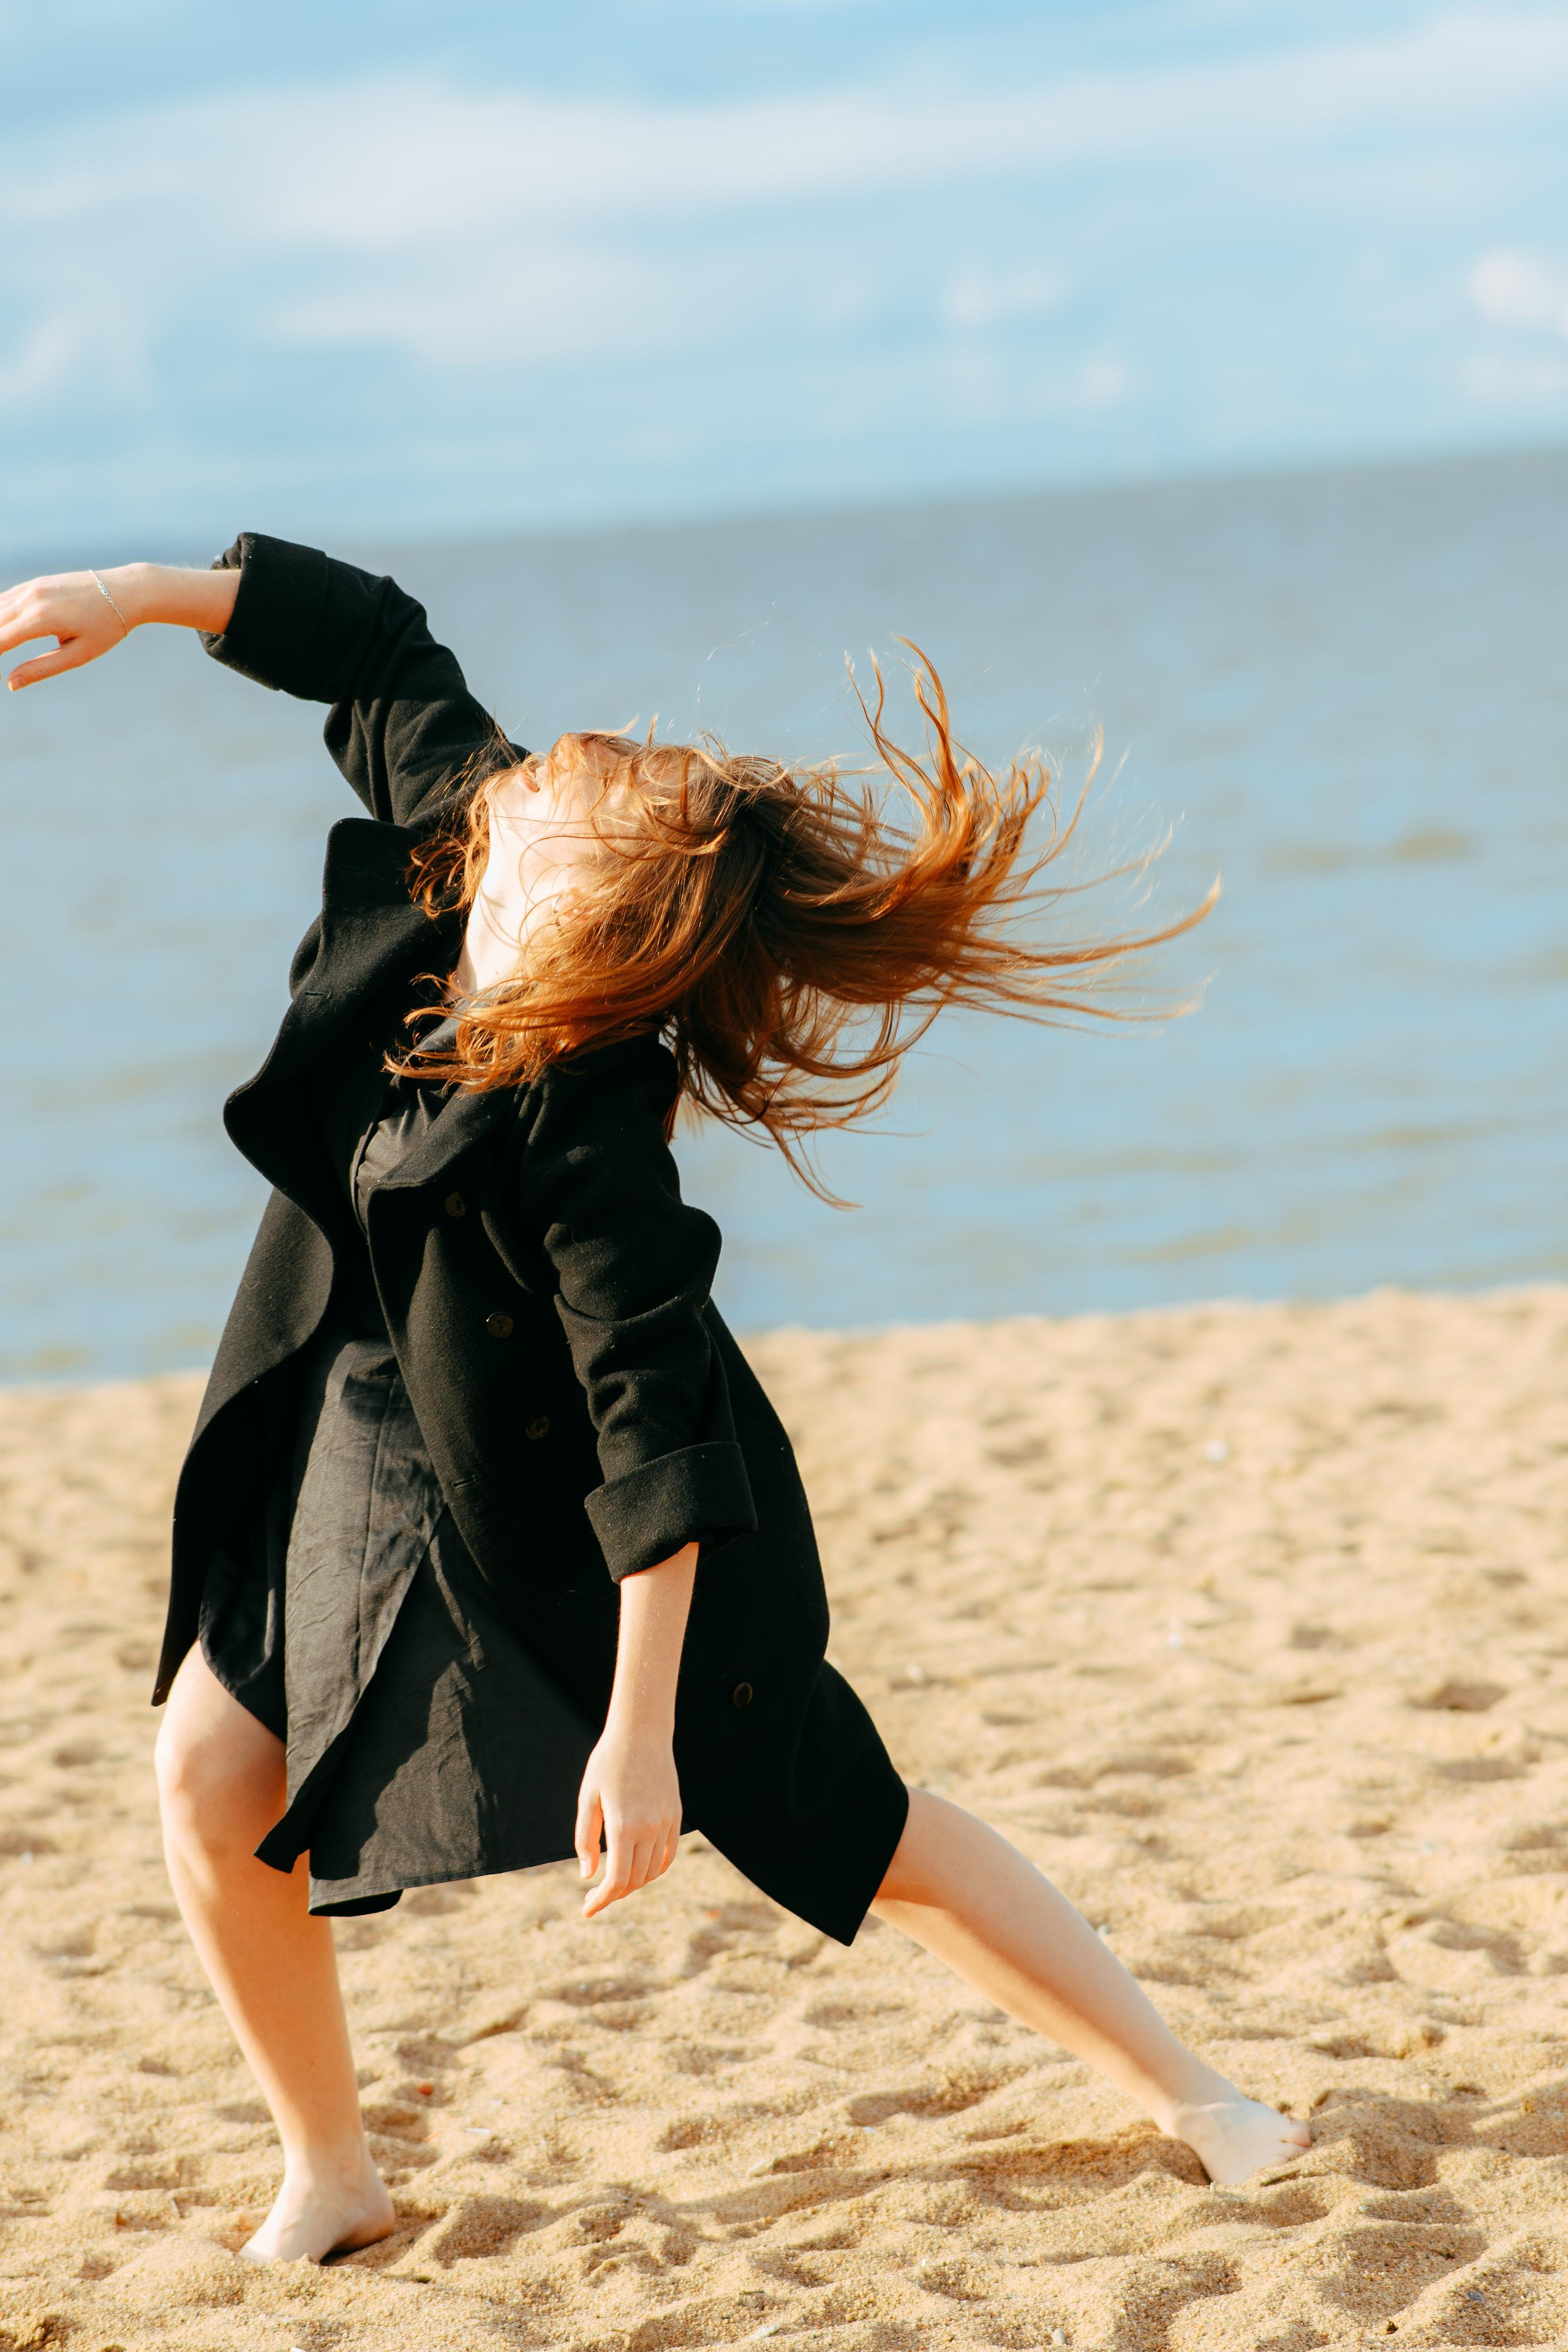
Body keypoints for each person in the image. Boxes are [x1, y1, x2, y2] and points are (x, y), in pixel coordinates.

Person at [0, 540, 1311, 2265]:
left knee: (852, 1819)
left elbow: (652, 1422)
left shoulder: (589, 1116)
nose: (512, 802)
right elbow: (379, 648)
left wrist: (636, 1736)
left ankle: (1201, 2094)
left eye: (551, 818)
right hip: (364, 1409)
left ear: (592, 923)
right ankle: (330, 2170)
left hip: (570, 1491)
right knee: (208, 1772)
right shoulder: (487, 836)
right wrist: (142, 594)